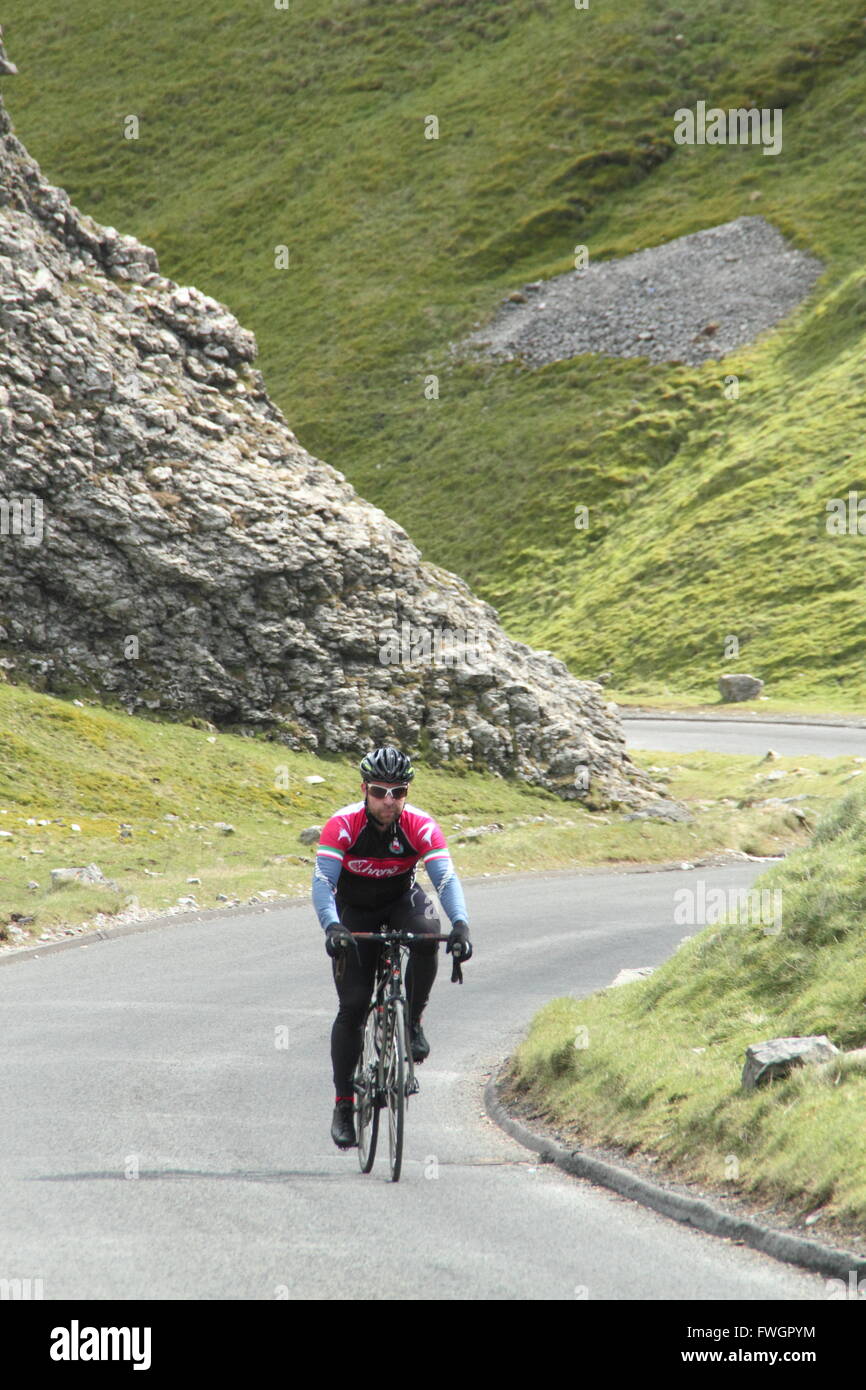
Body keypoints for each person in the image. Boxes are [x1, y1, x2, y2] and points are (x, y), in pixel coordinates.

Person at [312, 745, 472, 1149]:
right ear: (364, 789)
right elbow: (323, 884)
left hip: (400, 900)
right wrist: (332, 926)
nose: (389, 800)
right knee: (352, 1007)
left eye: (398, 791)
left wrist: (461, 925)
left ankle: (413, 1019)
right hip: (355, 909)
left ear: (406, 793)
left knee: (426, 934)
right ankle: (344, 1104)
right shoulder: (343, 825)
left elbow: (446, 880)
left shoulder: (420, 825)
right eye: (380, 790)